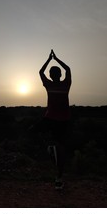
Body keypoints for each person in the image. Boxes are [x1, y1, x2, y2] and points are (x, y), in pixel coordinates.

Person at [35, 50, 72, 189]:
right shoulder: (66, 84)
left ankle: (50, 149)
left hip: (50, 118)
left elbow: (40, 72)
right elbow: (68, 69)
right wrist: (56, 59)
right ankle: (59, 177)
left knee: (32, 131)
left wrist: (49, 60)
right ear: (60, 74)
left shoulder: (49, 85)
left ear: (51, 75)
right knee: (61, 147)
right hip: (63, 119)